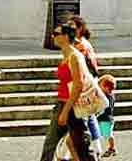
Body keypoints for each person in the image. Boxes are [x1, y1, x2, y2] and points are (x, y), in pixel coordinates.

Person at [39, 23, 95, 161]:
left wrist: (65, 111)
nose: (53, 36)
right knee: (51, 143)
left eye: (56, 34)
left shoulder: (74, 56)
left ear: (65, 36)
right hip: (63, 103)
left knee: (81, 145)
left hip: (71, 106)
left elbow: (78, 85)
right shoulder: (67, 55)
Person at [70, 16, 102, 159]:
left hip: (85, 84)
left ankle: (93, 148)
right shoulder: (84, 43)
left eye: (72, 27)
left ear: (79, 28)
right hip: (88, 82)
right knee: (89, 116)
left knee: (86, 117)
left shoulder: (81, 45)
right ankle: (95, 147)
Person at [97, 75, 117, 158]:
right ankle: (111, 148)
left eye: (100, 86)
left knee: (108, 135)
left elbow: (104, 107)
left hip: (106, 119)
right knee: (106, 134)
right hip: (105, 118)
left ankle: (112, 148)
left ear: (106, 88)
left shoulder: (107, 97)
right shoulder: (110, 95)